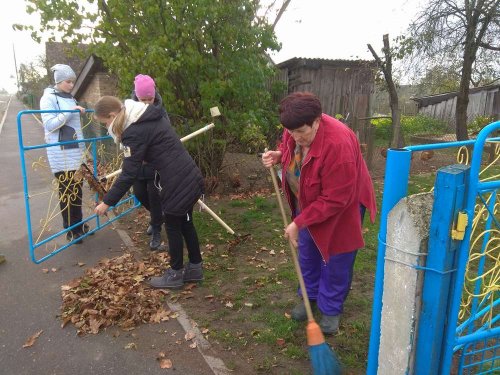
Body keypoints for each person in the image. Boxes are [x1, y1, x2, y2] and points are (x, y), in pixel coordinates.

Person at [261, 92, 376, 334]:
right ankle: (309, 297)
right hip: (311, 197)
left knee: (335, 258)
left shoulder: (338, 144)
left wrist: (299, 221)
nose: (296, 137)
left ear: (317, 120)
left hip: (344, 204)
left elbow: (335, 199)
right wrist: (280, 154)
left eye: (302, 131)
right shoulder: (295, 127)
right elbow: (290, 147)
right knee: (308, 251)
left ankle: (331, 309)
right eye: (291, 132)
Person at [93, 96, 204, 289]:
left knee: (172, 225)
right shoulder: (145, 116)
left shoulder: (133, 131)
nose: (107, 127)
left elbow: (128, 174)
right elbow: (156, 148)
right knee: (186, 222)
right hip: (188, 174)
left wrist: (106, 202)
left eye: (105, 123)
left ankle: (176, 274)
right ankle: (195, 267)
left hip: (176, 181)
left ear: (112, 115)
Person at [40, 64, 89, 244]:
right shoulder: (48, 99)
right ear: (59, 81)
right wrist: (70, 111)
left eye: (72, 82)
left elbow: (71, 122)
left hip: (76, 152)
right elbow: (50, 125)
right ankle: (71, 230)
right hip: (61, 154)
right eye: (68, 82)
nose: (71, 85)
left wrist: (78, 110)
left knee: (77, 192)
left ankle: (79, 224)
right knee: (67, 193)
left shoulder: (69, 97)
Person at [130, 74, 166, 250]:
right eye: (142, 99)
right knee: (139, 193)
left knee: (154, 194)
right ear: (136, 96)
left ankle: (157, 230)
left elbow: (166, 135)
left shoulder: (160, 111)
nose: (146, 103)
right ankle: (157, 216)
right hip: (137, 162)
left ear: (154, 95)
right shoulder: (128, 110)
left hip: (155, 162)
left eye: (149, 99)